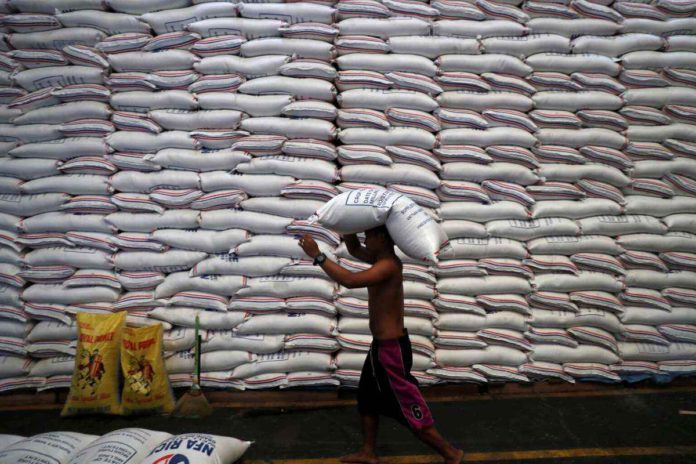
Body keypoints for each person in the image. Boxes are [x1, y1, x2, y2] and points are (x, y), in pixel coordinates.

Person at [299, 227, 463, 464]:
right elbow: (354, 249)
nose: (366, 241)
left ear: (382, 238)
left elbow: (350, 280)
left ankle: (450, 453)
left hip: (391, 351)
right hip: (380, 348)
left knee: (406, 406)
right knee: (367, 398)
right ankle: (368, 452)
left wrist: (318, 255)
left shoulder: (388, 265)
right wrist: (348, 227)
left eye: (370, 236)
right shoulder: (380, 259)